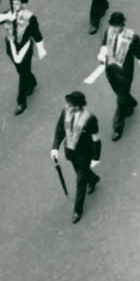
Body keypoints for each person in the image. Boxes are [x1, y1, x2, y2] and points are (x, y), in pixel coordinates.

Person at [0, 0, 46, 115]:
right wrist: (5, 17)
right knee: (21, 71)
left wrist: (41, 48)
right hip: (11, 46)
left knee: (22, 74)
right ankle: (32, 82)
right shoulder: (8, 13)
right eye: (13, 3)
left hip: (24, 49)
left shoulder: (30, 17)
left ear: (23, 4)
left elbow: (36, 34)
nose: (14, 6)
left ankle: (21, 102)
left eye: (17, 4)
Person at [97, 11, 140, 141]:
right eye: (113, 25)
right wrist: (101, 54)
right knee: (121, 94)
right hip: (110, 71)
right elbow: (104, 45)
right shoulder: (108, 31)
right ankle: (131, 103)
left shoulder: (132, 37)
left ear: (122, 24)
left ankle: (117, 128)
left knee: (120, 100)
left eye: (117, 26)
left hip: (124, 74)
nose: (114, 28)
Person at [50, 91, 101, 224]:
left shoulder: (89, 119)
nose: (67, 106)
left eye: (70, 104)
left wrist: (96, 157)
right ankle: (93, 179)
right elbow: (60, 130)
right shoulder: (65, 111)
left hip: (85, 154)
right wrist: (55, 147)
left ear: (78, 106)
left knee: (80, 181)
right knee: (80, 172)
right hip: (71, 152)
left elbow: (96, 138)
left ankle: (77, 211)